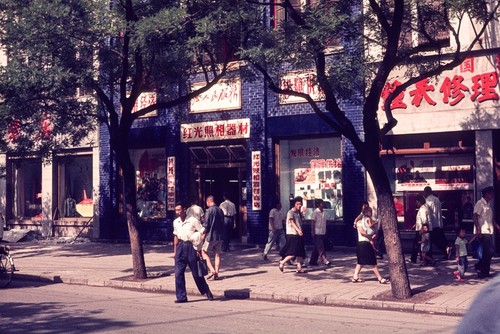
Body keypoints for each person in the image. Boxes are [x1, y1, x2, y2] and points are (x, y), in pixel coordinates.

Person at [172, 203, 213, 303]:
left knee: (196, 273)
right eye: (176, 210)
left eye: (179, 210)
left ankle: (206, 291)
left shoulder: (193, 220)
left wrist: (199, 248)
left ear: (184, 210)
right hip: (181, 247)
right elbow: (176, 237)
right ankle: (181, 297)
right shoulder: (176, 222)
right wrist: (175, 251)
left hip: (191, 247)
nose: (177, 212)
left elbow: (203, 232)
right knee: (178, 273)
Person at [351, 206, 389, 284]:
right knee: (372, 262)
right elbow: (362, 232)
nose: (371, 213)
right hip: (364, 243)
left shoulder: (365, 221)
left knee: (361, 262)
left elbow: (370, 229)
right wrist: (370, 236)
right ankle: (380, 278)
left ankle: (355, 276)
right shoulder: (360, 222)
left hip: (364, 243)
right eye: (369, 211)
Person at [473, 186, 499, 279]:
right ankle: (480, 267)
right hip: (483, 231)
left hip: (489, 230)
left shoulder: (488, 205)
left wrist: (497, 227)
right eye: (491, 193)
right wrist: (478, 230)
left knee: (490, 252)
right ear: (487, 194)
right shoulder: (480, 203)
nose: (492, 195)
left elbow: (490, 218)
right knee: (487, 251)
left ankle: (484, 271)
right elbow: (475, 216)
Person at [279, 196, 306, 273]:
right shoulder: (290, 212)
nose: (299, 205)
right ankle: (282, 262)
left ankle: (299, 267)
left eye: (300, 204)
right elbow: (292, 222)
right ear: (294, 204)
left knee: (300, 252)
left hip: (299, 234)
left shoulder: (298, 213)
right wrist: (298, 230)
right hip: (292, 234)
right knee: (293, 252)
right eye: (297, 204)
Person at [202, 195, 225, 280]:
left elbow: (206, 224)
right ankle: (217, 273)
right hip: (219, 236)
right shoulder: (220, 210)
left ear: (209, 201)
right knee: (217, 254)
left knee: (203, 252)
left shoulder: (209, 211)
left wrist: (203, 233)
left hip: (210, 236)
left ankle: (212, 271)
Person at [424, 186, 450, 260]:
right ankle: (447, 249)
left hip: (432, 224)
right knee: (441, 238)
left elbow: (428, 213)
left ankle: (431, 255)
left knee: (434, 240)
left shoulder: (428, 200)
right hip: (439, 223)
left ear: (426, 192)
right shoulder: (437, 199)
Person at [309, 199, 331, 266]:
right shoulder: (315, 212)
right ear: (318, 204)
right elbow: (313, 222)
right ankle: (324, 260)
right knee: (321, 247)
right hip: (317, 232)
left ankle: (313, 260)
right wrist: (312, 231)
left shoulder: (324, 212)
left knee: (317, 247)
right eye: (321, 203)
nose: (323, 205)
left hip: (323, 231)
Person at [410, 195, 430, 264]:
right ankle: (424, 259)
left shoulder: (422, 209)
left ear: (419, 201)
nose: (416, 204)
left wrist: (422, 229)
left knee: (417, 244)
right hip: (421, 228)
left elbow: (424, 220)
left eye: (417, 202)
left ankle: (413, 258)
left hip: (421, 230)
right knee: (422, 245)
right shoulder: (425, 208)